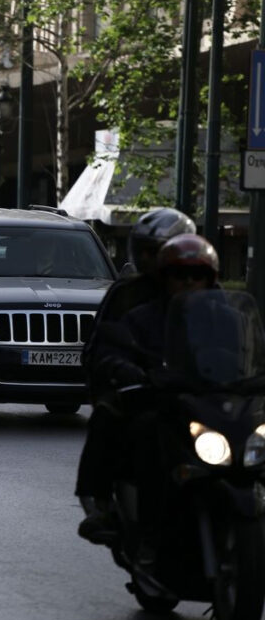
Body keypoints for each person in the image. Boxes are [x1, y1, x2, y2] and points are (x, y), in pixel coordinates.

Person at [75, 208, 195, 544]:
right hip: (144, 390)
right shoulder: (127, 294)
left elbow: (235, 344)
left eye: (155, 251)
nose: (148, 259)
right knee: (110, 417)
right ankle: (99, 505)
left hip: (199, 393)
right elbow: (100, 348)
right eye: (144, 251)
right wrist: (123, 369)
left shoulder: (207, 294)